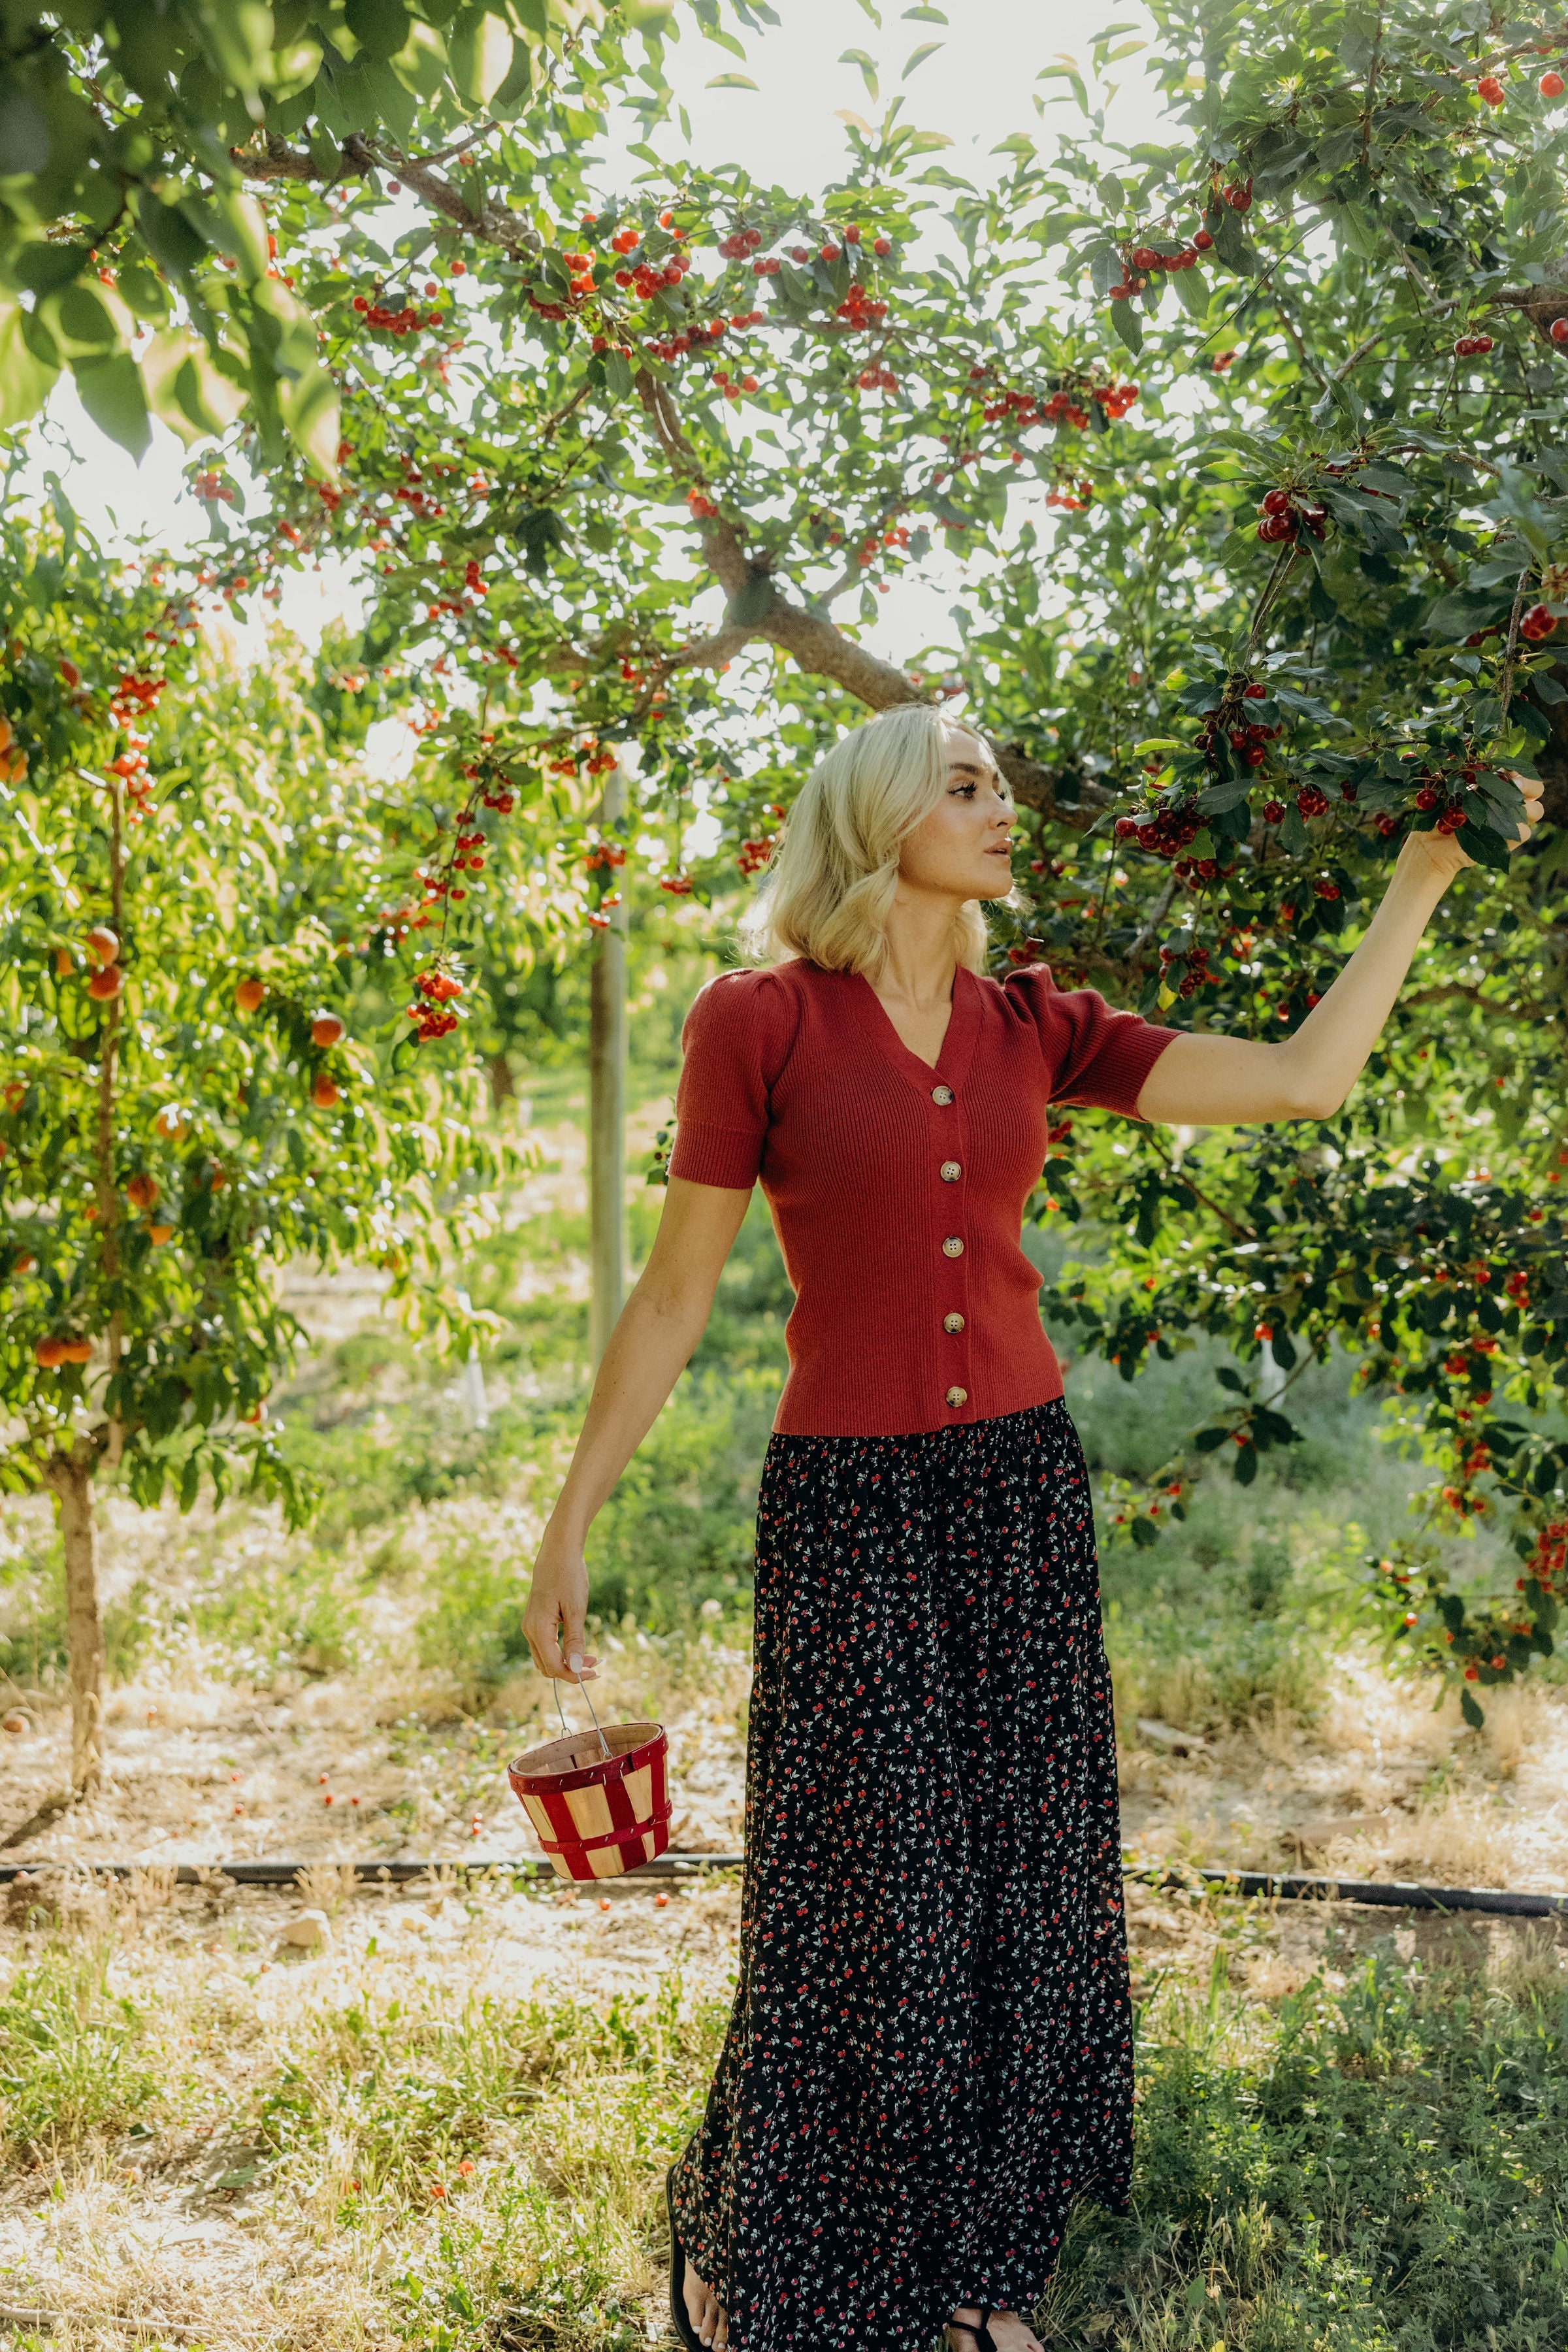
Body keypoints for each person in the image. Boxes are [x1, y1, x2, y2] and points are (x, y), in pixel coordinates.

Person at [522, 706, 1540, 2352]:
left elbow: (1300, 1078)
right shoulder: (755, 1020)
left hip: (1014, 1490)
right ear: (879, 816)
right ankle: (751, 2254)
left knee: (1032, 1886)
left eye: (1001, 783)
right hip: (850, 1506)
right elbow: (676, 1291)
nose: (1005, 807)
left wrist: (1422, 873)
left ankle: (983, 2281)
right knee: (866, 1896)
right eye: (969, 783)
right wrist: (568, 1523)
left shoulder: (1031, 1025)